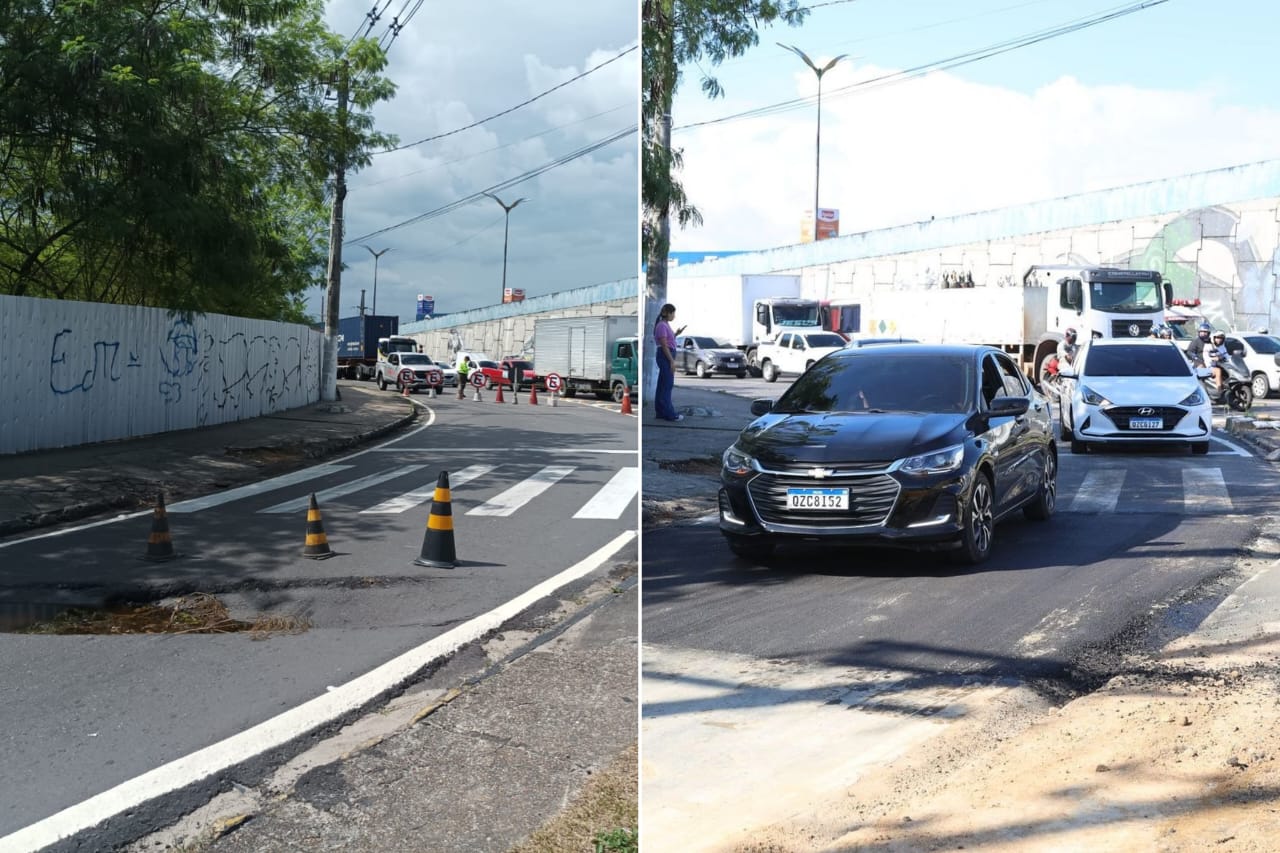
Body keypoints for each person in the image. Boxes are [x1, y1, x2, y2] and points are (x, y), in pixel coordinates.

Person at [653, 303, 686, 421]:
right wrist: (671, 361)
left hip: (665, 354)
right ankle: (669, 414)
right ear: (668, 313)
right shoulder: (662, 325)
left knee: (662, 385)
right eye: (673, 313)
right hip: (665, 355)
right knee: (667, 385)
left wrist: (676, 334)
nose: (674, 316)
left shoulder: (665, 324)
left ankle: (661, 412)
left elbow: (669, 340)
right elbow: (664, 344)